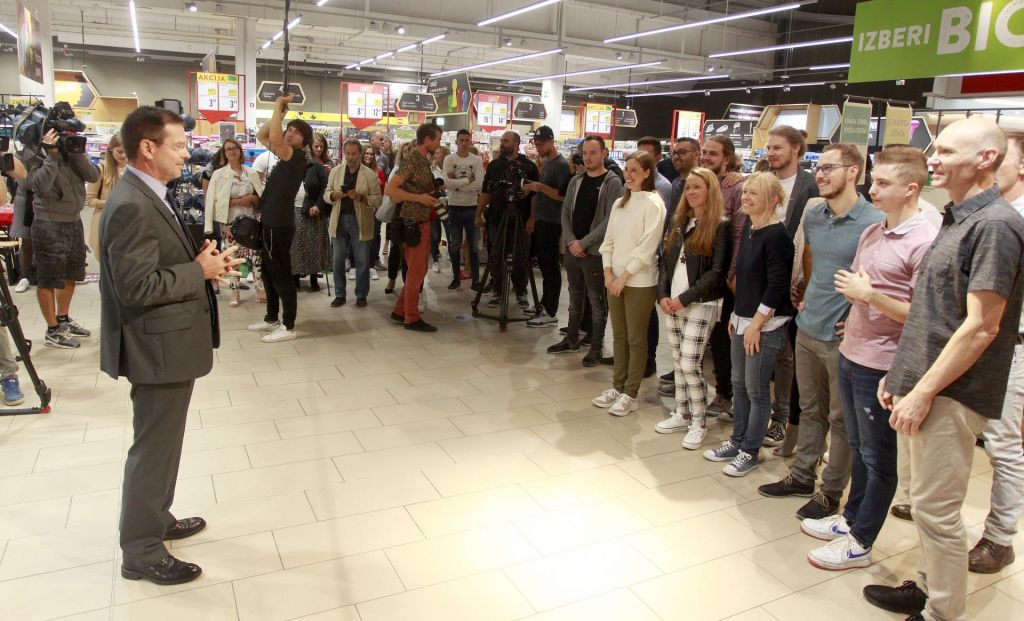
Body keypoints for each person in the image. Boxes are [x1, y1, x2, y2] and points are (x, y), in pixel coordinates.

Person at [862, 118, 1024, 621]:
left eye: (947, 151)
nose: (932, 158)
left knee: (937, 511)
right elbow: (933, 311)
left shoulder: (995, 225)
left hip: (953, 393)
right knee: (929, 508)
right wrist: (903, 375)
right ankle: (930, 587)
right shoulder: (957, 218)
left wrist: (923, 391)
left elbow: (981, 327)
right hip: (927, 385)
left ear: (986, 159)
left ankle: (942, 613)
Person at [100, 105, 242, 586]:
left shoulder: (147, 193)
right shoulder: (132, 203)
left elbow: (155, 265)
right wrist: (196, 271)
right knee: (153, 448)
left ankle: (155, 519)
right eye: (179, 146)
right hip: (155, 349)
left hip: (168, 343)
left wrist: (198, 260)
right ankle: (140, 548)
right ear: (148, 147)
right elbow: (135, 287)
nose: (187, 154)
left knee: (164, 444)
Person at [801, 145, 937, 571]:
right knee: (858, 447)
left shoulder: (925, 239)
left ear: (910, 189)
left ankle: (861, 541)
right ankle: (852, 517)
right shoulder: (873, 233)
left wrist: (871, 297)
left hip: (885, 363)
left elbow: (924, 314)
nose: (872, 188)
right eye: (873, 180)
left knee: (879, 458)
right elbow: (854, 288)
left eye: (882, 183)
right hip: (852, 350)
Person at [758, 144, 883, 520]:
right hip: (809, 326)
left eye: (830, 168)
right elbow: (811, 256)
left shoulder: (874, 222)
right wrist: (804, 291)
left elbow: (885, 281)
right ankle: (800, 476)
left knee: (841, 420)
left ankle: (831, 492)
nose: (821, 174)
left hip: (845, 339)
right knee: (810, 408)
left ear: (854, 172)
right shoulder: (815, 215)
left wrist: (861, 313)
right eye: (819, 167)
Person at [702, 172, 794, 476]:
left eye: (755, 193)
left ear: (774, 200)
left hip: (764, 327)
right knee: (739, 386)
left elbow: (776, 286)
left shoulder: (778, 236)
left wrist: (755, 324)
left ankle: (750, 450)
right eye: (746, 192)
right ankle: (737, 440)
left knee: (756, 391)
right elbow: (747, 282)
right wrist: (736, 315)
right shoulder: (753, 230)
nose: (747, 197)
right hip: (743, 320)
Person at [654, 168, 732, 450]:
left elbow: (716, 272)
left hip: (702, 302)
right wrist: (663, 294)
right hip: (673, 301)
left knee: (689, 363)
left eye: (697, 187)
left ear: (710, 191)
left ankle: (698, 421)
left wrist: (684, 298)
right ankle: (682, 411)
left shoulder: (721, 225)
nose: (691, 192)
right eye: (689, 188)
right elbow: (664, 262)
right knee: (677, 361)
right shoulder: (679, 222)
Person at [592, 151, 665, 417]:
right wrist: (609, 273)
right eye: (627, 169)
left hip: (639, 281)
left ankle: (630, 392)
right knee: (619, 336)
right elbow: (608, 242)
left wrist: (624, 277)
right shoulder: (620, 203)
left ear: (648, 173)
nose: (629, 174)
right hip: (616, 280)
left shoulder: (654, 203)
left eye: (635, 170)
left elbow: (647, 249)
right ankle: (617, 384)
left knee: (636, 338)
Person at [766, 125, 821, 455]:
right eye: (769, 147)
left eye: (778, 148)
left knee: (787, 354)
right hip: (765, 274)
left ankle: (782, 416)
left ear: (797, 150)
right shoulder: (763, 180)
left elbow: (808, 241)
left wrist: (802, 282)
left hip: (794, 278)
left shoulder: (809, 187)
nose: (771, 153)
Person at [549, 135, 623, 365]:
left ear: (604, 153)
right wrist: (572, 241)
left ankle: (596, 348)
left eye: (593, 152)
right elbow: (565, 212)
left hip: (595, 253)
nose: (588, 157)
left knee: (597, 302)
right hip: (573, 250)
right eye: (585, 153)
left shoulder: (612, 183)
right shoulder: (576, 180)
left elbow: (610, 219)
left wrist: (584, 243)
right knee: (574, 295)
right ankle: (571, 338)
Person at [25, 126, 100, 349]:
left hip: (73, 220)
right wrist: (51, 155)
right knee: (48, 277)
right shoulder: (36, 153)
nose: (68, 138)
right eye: (65, 134)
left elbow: (93, 175)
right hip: (48, 222)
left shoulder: (73, 152)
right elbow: (40, 185)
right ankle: (52, 329)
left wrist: (76, 152)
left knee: (71, 273)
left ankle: (63, 319)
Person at [688, 135, 746, 419]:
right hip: (698, 276)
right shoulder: (701, 184)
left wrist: (731, 275)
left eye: (713, 154)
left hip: (724, 278)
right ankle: (691, 384)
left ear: (728, 158)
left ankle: (725, 394)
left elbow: (738, 235)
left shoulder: (735, 187)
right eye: (705, 153)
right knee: (700, 336)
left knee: (723, 340)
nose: (707, 157)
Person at [247, 93, 312, 343]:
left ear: (302, 140)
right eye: (290, 130)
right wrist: (280, 115)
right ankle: (271, 318)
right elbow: (264, 136)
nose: (290, 134)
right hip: (270, 222)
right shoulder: (285, 155)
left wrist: (276, 106)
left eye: (296, 132)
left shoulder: (295, 157)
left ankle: (288, 325)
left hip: (280, 225)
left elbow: (273, 136)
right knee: (268, 271)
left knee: (281, 273)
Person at [386, 123, 444, 332]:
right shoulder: (412, 160)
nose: (439, 143)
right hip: (413, 222)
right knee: (417, 272)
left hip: (420, 220)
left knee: (416, 271)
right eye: (437, 139)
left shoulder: (422, 161)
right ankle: (411, 317)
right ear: (427, 139)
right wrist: (418, 197)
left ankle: (401, 310)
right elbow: (389, 189)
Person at [478, 131, 540, 309]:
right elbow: (486, 191)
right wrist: (479, 213)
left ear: (516, 143)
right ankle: (497, 290)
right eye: (502, 141)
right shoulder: (494, 165)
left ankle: (521, 291)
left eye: (506, 141)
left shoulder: (529, 166)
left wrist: (532, 218)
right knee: (496, 256)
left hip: (521, 218)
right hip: (497, 218)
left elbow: (535, 196)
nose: (502, 144)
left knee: (521, 257)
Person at [203, 137, 264, 307]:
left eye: (234, 148)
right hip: (229, 224)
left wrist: (251, 198)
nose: (231, 151)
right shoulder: (218, 174)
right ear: (224, 153)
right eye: (228, 149)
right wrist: (235, 202)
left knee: (256, 257)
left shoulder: (251, 173)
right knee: (232, 258)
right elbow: (211, 201)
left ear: (240, 151)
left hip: (250, 223)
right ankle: (234, 292)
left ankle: (260, 289)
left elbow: (261, 197)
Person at [525, 125, 572, 328]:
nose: (539, 147)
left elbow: (563, 197)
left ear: (552, 141)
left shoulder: (561, 165)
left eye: (542, 143)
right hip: (543, 220)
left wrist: (540, 187)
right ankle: (545, 304)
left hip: (553, 222)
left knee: (551, 267)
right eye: (536, 144)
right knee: (544, 266)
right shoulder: (545, 163)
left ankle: (550, 311)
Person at [325, 139, 382, 308]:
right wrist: (334, 196)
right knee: (337, 260)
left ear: (360, 154)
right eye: (348, 154)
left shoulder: (370, 174)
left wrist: (361, 197)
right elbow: (326, 193)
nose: (350, 157)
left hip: (360, 221)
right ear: (344, 153)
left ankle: (361, 295)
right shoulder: (335, 172)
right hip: (339, 219)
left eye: (354, 154)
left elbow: (378, 200)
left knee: (362, 260)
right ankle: (340, 294)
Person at [443, 129, 485, 291]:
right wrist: (468, 180)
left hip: (472, 208)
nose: (464, 143)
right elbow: (447, 183)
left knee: (474, 247)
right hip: (454, 207)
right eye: (461, 140)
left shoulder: (476, 160)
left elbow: (479, 184)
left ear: (470, 141)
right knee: (454, 245)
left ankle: (475, 280)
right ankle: (455, 278)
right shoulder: (449, 159)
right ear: (456, 141)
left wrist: (458, 184)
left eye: (467, 140)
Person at [291, 134, 331, 291]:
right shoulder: (292, 166)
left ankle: (314, 276)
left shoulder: (317, 167)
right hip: (294, 210)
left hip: (313, 210)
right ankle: (295, 276)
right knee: (296, 245)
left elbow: (324, 188)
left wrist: (318, 205)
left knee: (315, 244)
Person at [85, 133, 127, 267]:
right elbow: (90, 200)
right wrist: (110, 203)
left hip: (127, 224)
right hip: (105, 223)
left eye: (127, 151)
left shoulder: (134, 169)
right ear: (110, 149)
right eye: (119, 151)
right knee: (108, 267)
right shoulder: (100, 169)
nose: (123, 155)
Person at [429, 145, 452, 274]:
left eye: (438, 153)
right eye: (435, 153)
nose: (435, 155)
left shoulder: (449, 168)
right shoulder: (432, 169)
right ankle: (435, 259)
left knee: (450, 232)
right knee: (435, 234)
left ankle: (450, 253)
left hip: (449, 205)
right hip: (435, 205)